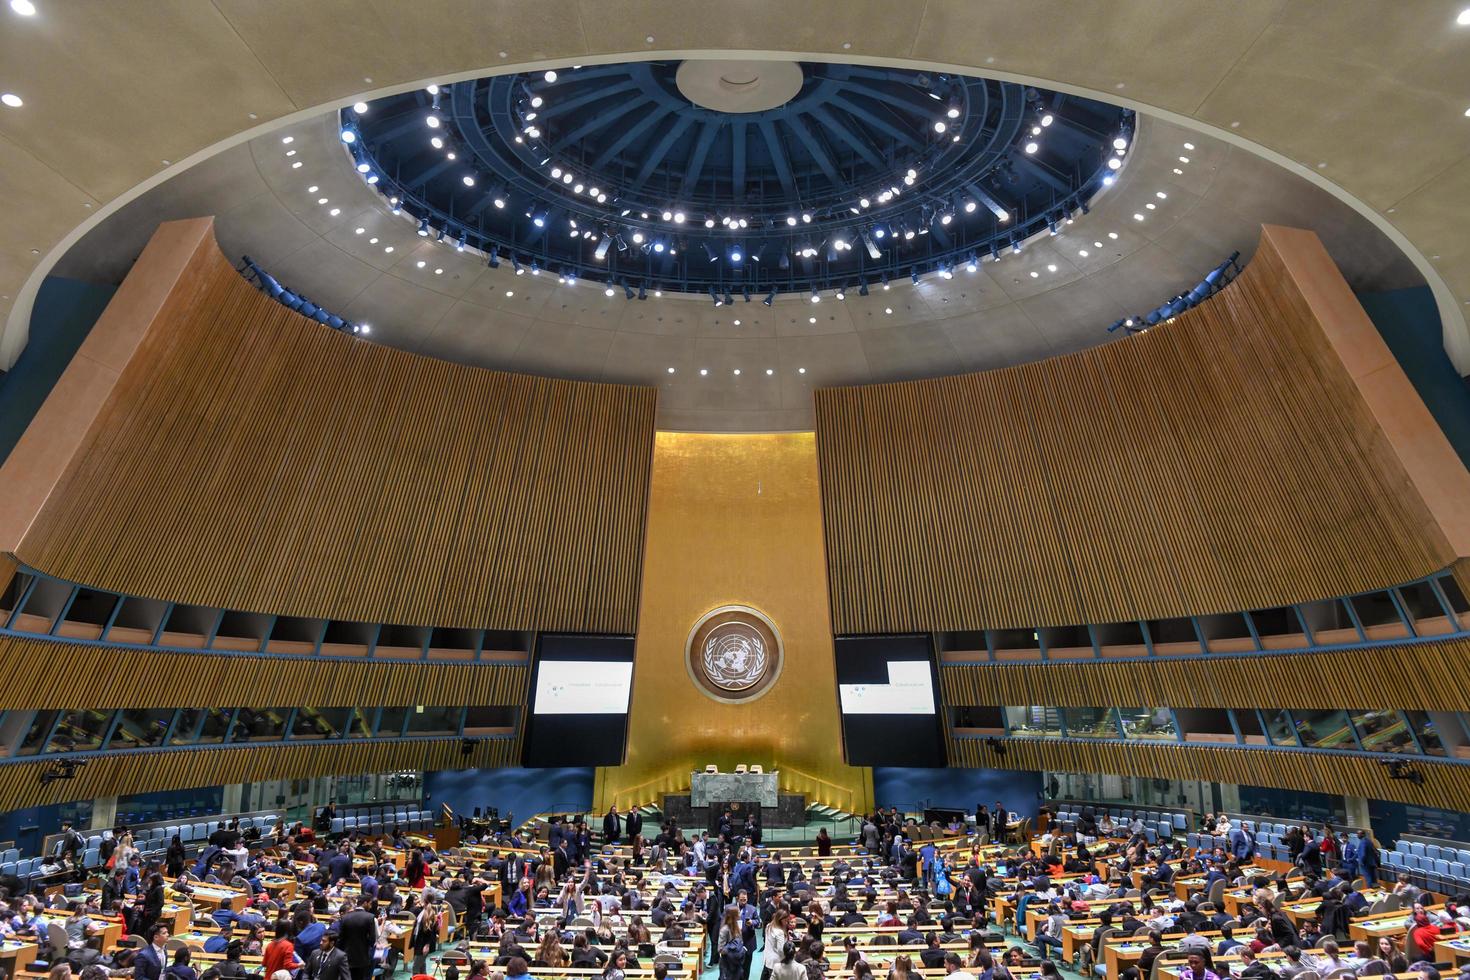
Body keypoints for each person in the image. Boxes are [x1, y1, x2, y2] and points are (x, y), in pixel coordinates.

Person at [337, 897, 378, 980]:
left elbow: (340, 939)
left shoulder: (345, 917)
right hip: (362, 956)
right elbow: (372, 940)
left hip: (346, 955)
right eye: (370, 903)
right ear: (365, 903)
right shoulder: (370, 917)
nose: (370, 906)